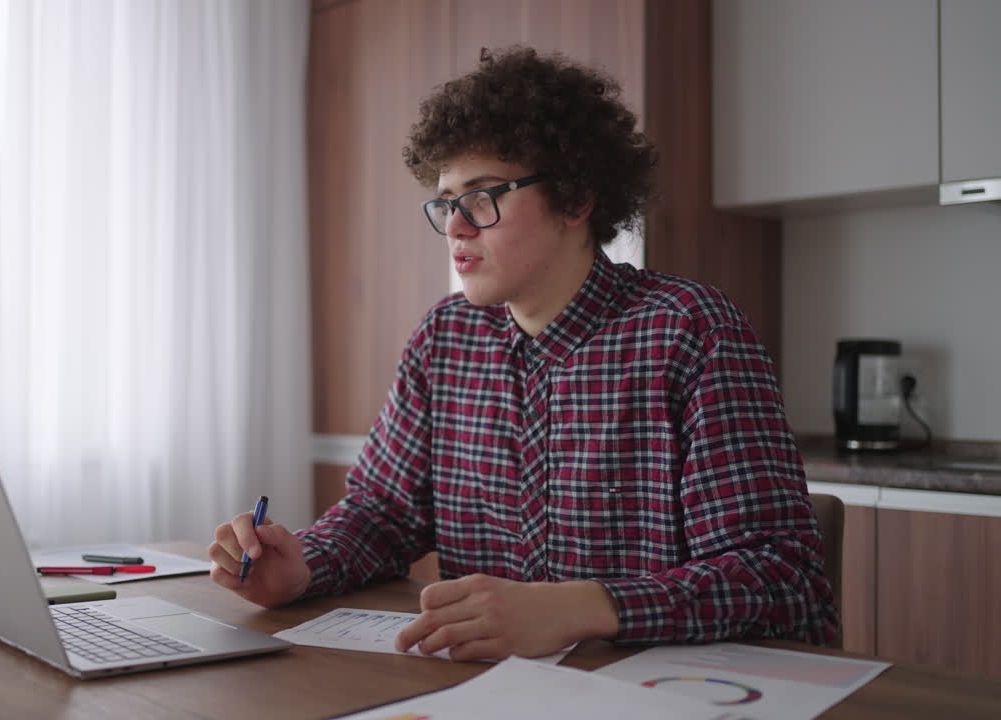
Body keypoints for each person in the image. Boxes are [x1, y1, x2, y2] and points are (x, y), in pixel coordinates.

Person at [209, 46, 839, 660]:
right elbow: (385, 512)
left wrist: (587, 607)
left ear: (575, 198)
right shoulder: (445, 338)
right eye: (447, 203)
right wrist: (304, 566)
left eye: (483, 197)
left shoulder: (688, 330)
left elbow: (780, 577)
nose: (456, 226)